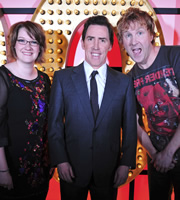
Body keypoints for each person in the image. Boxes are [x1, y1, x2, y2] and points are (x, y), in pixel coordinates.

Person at [48, 15, 137, 200]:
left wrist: (126, 164)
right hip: (70, 170)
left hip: (109, 172)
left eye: (102, 40)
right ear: (82, 43)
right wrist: (61, 161)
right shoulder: (62, 79)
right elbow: (54, 124)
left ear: (110, 45)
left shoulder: (124, 82)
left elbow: (129, 127)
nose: (96, 46)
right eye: (90, 39)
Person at [117, 7, 180, 200]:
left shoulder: (174, 57)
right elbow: (134, 123)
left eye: (139, 32)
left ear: (152, 34)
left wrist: (169, 153)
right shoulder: (129, 79)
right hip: (157, 158)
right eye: (127, 35)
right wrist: (155, 155)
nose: (133, 40)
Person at [0, 21, 51, 200]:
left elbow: (47, 125)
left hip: (40, 171)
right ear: (13, 44)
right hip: (11, 170)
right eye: (22, 41)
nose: (28, 46)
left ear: (40, 47)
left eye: (33, 42)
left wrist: (50, 161)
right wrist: (3, 170)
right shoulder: (3, 78)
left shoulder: (45, 81)